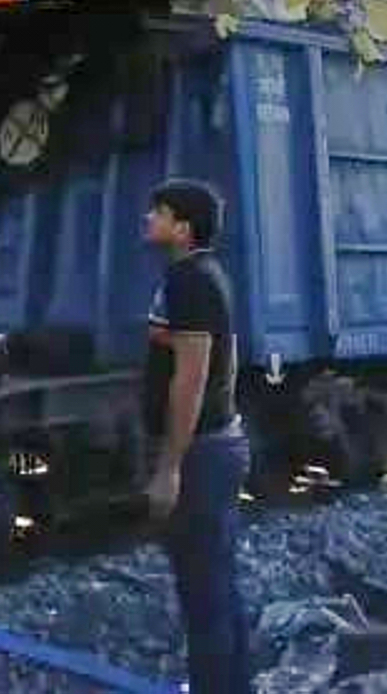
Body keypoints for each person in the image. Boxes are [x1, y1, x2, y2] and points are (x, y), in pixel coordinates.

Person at [143, 178, 251, 694]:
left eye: (159, 212)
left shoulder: (190, 280)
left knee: (204, 592)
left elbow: (191, 379)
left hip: (202, 453)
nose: (149, 219)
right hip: (216, 444)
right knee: (216, 586)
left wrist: (169, 468)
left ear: (183, 228)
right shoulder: (201, 276)